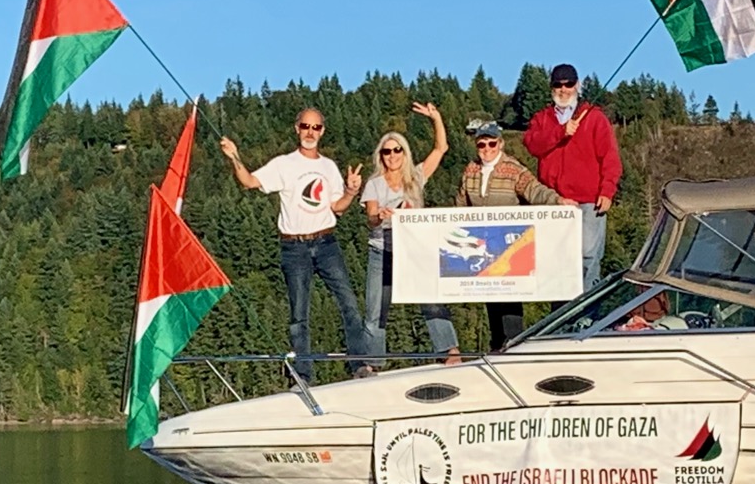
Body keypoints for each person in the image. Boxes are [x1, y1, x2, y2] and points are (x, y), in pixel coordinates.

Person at [219, 109, 373, 379]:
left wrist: (351, 191)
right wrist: (235, 157)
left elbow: (338, 207)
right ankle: (303, 374)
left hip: (327, 243)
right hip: (294, 248)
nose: (310, 132)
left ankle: (359, 365)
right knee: (298, 315)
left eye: (316, 127)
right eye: (305, 126)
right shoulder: (283, 164)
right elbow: (249, 182)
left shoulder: (328, 167)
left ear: (322, 131)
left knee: (348, 303)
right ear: (297, 128)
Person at [362, 103, 462, 364]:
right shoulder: (373, 183)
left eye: (397, 150)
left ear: (404, 153)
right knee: (375, 310)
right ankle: (372, 363)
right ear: (380, 156)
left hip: (415, 250)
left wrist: (436, 118)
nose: (393, 155)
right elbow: (370, 218)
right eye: (387, 151)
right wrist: (379, 216)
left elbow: (441, 149)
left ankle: (449, 351)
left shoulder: (417, 176)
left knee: (431, 300)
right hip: (382, 249)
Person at [456, 120, 562, 351]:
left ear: (501, 144)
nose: (487, 149)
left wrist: (558, 200)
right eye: (481, 144)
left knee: (511, 296)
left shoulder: (514, 169)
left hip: (509, 244)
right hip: (483, 245)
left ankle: (515, 344)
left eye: (492, 144)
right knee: (491, 299)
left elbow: (535, 190)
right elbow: (461, 204)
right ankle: (496, 345)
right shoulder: (470, 170)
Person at [519, 63, 622, 295]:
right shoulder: (541, 119)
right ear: (551, 87)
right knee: (556, 262)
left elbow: (611, 158)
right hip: (554, 201)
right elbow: (532, 145)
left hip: (589, 201)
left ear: (577, 85)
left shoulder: (594, 118)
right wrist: (561, 132)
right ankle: (560, 315)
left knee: (587, 257)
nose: (563, 89)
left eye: (568, 84)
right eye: (558, 84)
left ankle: (587, 314)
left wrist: (607, 190)